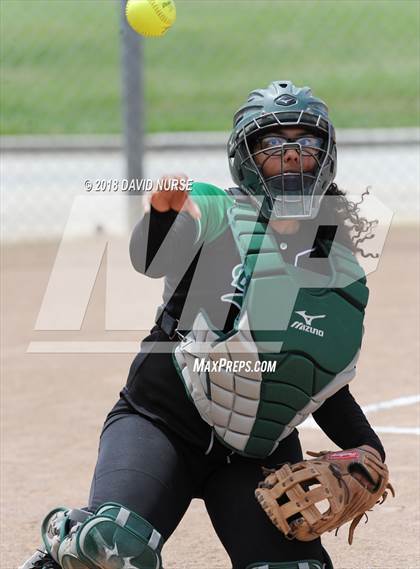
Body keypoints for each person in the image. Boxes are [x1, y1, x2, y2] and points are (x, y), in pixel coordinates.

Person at [21, 81, 386, 569]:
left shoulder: (339, 269)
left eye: (306, 146)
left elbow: (316, 374)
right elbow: (151, 258)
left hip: (255, 451)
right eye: (273, 147)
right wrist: (162, 214)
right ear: (247, 160)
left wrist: (367, 448)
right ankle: (67, 541)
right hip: (162, 424)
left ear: (326, 158)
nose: (292, 157)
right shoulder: (217, 209)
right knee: (117, 549)